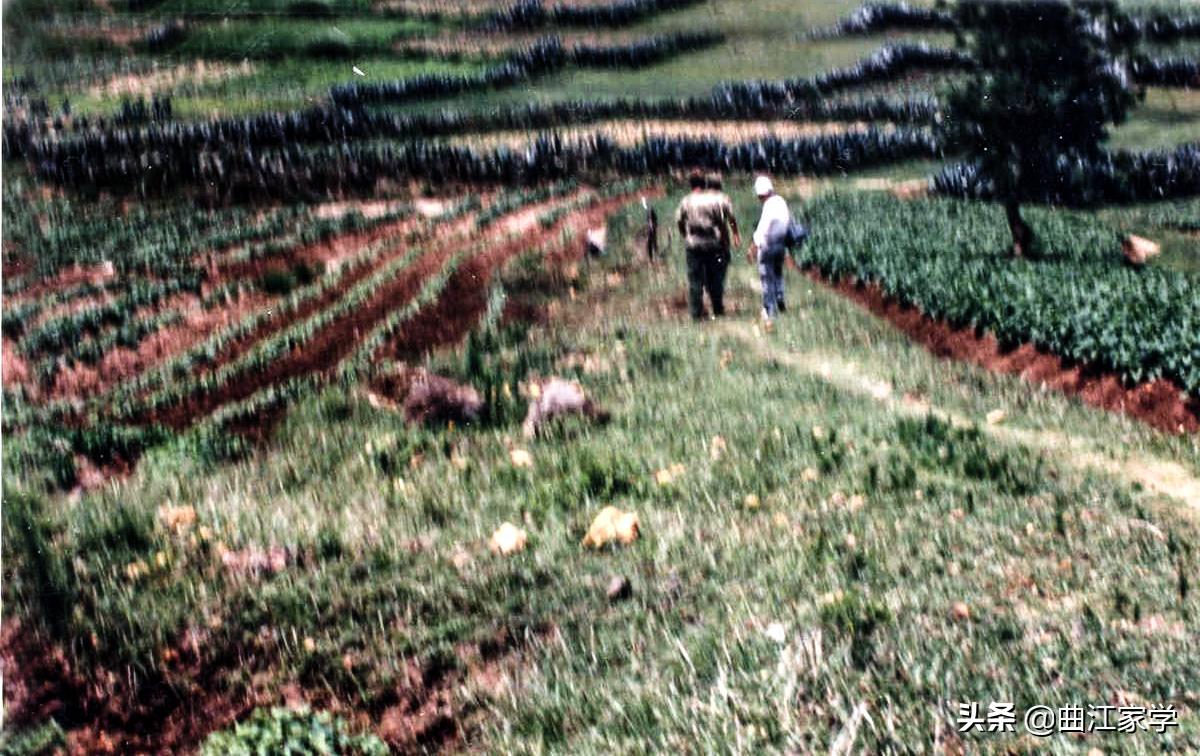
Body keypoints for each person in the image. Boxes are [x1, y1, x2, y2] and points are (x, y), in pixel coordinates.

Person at [675, 169, 736, 320]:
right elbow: (722, 223)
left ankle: (696, 313)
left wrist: (685, 235)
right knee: (714, 278)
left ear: (691, 184)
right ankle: (718, 309)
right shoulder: (714, 200)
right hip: (712, 244)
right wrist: (725, 240)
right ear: (705, 183)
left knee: (695, 280)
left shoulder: (686, 201)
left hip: (694, 244)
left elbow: (679, 221)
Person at [749, 175, 791, 323]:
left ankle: (769, 309)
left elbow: (762, 229)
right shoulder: (781, 201)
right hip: (781, 244)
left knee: (766, 277)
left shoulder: (768, 206)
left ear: (761, 193)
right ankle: (780, 300)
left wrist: (753, 248)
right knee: (778, 273)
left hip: (768, 245)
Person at [705, 174, 740, 310]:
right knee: (720, 270)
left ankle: (709, 295)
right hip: (720, 239)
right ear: (720, 185)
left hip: (703, 239)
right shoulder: (723, 199)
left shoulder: (700, 198)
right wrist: (736, 234)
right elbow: (731, 218)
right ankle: (717, 302)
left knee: (707, 269)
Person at [642, 196, 659, 261]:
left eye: (644, 202)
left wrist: (652, 226)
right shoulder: (649, 209)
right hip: (651, 229)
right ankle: (653, 258)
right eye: (643, 202)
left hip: (651, 229)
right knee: (652, 243)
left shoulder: (650, 210)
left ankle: (654, 258)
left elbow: (652, 220)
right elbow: (653, 220)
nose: (643, 204)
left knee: (652, 243)